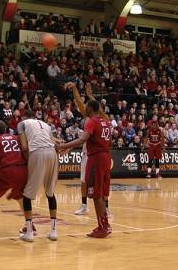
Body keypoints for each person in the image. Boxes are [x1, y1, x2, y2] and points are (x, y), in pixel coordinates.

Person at [57, 100, 113, 238]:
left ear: (91, 108)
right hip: (106, 156)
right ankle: (106, 225)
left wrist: (63, 146)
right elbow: (108, 141)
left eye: (87, 106)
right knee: (101, 193)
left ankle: (102, 227)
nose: (85, 109)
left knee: (96, 194)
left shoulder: (92, 121)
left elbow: (82, 140)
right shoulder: (106, 121)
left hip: (96, 159)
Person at [65, 82, 110, 216]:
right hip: (88, 151)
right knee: (84, 181)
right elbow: (79, 101)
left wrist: (90, 96)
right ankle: (84, 205)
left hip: (97, 152)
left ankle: (105, 208)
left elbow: (84, 138)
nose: (85, 108)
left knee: (100, 183)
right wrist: (75, 89)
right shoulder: (91, 117)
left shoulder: (103, 118)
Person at [17, 110, 59, 243]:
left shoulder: (22, 124)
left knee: (27, 195)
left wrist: (28, 162)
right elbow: (54, 141)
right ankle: (53, 231)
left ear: (24, 117)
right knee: (50, 193)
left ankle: (29, 232)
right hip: (52, 153)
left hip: (37, 153)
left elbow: (24, 147)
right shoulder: (45, 124)